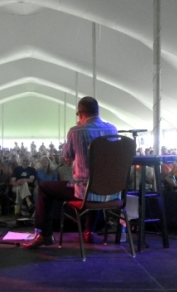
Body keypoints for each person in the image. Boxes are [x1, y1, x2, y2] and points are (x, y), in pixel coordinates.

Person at [23, 96, 118, 249]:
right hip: (110, 191)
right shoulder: (112, 129)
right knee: (94, 184)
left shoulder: (76, 131)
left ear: (80, 114)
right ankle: (90, 231)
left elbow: (67, 158)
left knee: (45, 187)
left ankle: (45, 235)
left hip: (84, 190)